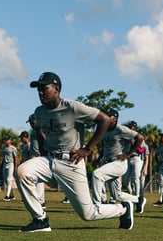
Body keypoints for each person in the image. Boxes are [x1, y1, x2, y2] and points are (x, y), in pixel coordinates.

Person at [15, 71, 134, 232]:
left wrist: (87, 149)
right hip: (49, 160)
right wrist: (42, 152)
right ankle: (40, 220)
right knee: (23, 171)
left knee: (88, 213)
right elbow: (42, 134)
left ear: (56, 89)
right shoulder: (39, 112)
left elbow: (104, 120)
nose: (40, 92)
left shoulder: (72, 108)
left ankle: (123, 209)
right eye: (38, 89)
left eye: (44, 88)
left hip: (71, 162)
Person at [91, 109, 146, 213]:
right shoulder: (105, 129)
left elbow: (140, 137)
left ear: (115, 118)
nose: (106, 117)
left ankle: (96, 205)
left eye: (109, 116)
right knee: (117, 195)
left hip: (118, 163)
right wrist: (98, 159)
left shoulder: (121, 129)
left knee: (96, 174)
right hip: (108, 162)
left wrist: (128, 154)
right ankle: (139, 200)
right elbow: (105, 147)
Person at [126, 121, 150, 203]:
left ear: (135, 128)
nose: (130, 128)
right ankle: (131, 195)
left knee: (135, 179)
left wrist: (134, 143)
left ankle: (137, 198)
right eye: (129, 127)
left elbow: (142, 150)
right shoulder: (126, 137)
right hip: (128, 158)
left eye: (132, 127)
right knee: (125, 181)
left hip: (137, 158)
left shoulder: (139, 138)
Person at [1, 136, 18, 200]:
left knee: (9, 179)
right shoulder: (3, 148)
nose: (6, 141)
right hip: (5, 164)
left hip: (11, 164)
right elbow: (3, 158)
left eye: (7, 140)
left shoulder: (13, 148)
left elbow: (16, 158)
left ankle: (7, 196)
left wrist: (15, 167)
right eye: (5, 140)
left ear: (10, 141)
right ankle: (12, 195)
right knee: (6, 180)